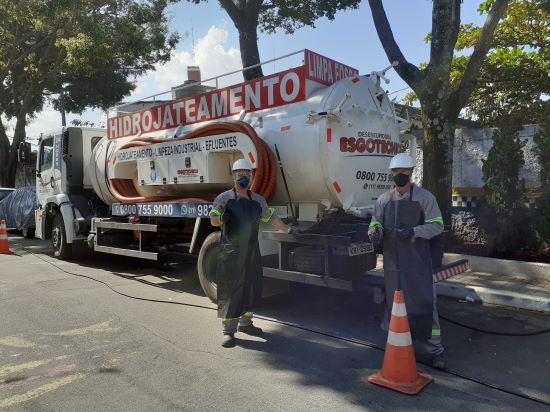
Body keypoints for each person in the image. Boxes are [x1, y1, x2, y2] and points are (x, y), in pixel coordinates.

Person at [368, 153, 446, 369]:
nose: (399, 176)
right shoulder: (385, 199)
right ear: (391, 174)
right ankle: (396, 343)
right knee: (393, 305)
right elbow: (375, 222)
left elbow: (437, 225)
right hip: (393, 265)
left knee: (424, 304)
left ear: (411, 172)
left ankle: (435, 350)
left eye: (403, 172)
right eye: (396, 172)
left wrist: (414, 231)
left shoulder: (425, 198)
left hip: (418, 263)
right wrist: (374, 231)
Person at [210, 158, 292, 348]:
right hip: (231, 252)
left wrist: (288, 230)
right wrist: (222, 218)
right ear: (233, 176)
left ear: (251, 176)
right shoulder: (223, 198)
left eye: (246, 174)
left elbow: (271, 218)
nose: (242, 177)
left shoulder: (258, 200)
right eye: (239, 174)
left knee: (251, 288)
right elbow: (213, 220)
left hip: (252, 252)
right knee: (231, 290)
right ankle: (228, 331)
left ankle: (246, 324)